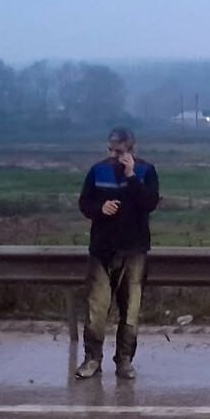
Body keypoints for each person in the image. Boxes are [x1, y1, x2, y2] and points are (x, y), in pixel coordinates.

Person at [75, 127, 160, 380]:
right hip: (102, 249)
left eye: (119, 151)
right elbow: (84, 203)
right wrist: (100, 207)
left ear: (131, 151)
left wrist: (131, 176)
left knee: (130, 310)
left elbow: (149, 203)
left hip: (134, 251)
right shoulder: (97, 170)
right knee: (96, 310)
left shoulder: (146, 171)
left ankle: (124, 361)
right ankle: (92, 359)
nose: (113, 155)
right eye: (110, 150)